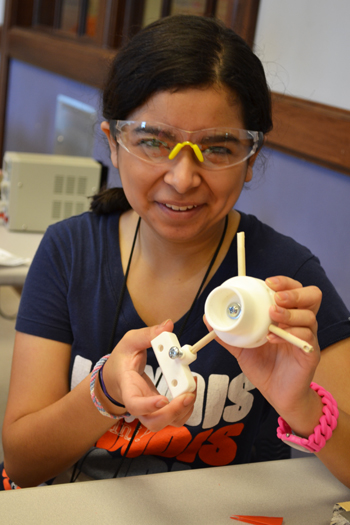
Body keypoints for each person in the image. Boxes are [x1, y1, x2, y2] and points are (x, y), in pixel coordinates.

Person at [2, 14, 350, 490]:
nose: (183, 178)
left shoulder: (283, 277)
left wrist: (300, 404)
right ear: (114, 145)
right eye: (153, 142)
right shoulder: (70, 252)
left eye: (220, 148)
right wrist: (103, 392)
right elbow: (21, 464)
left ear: (251, 160)